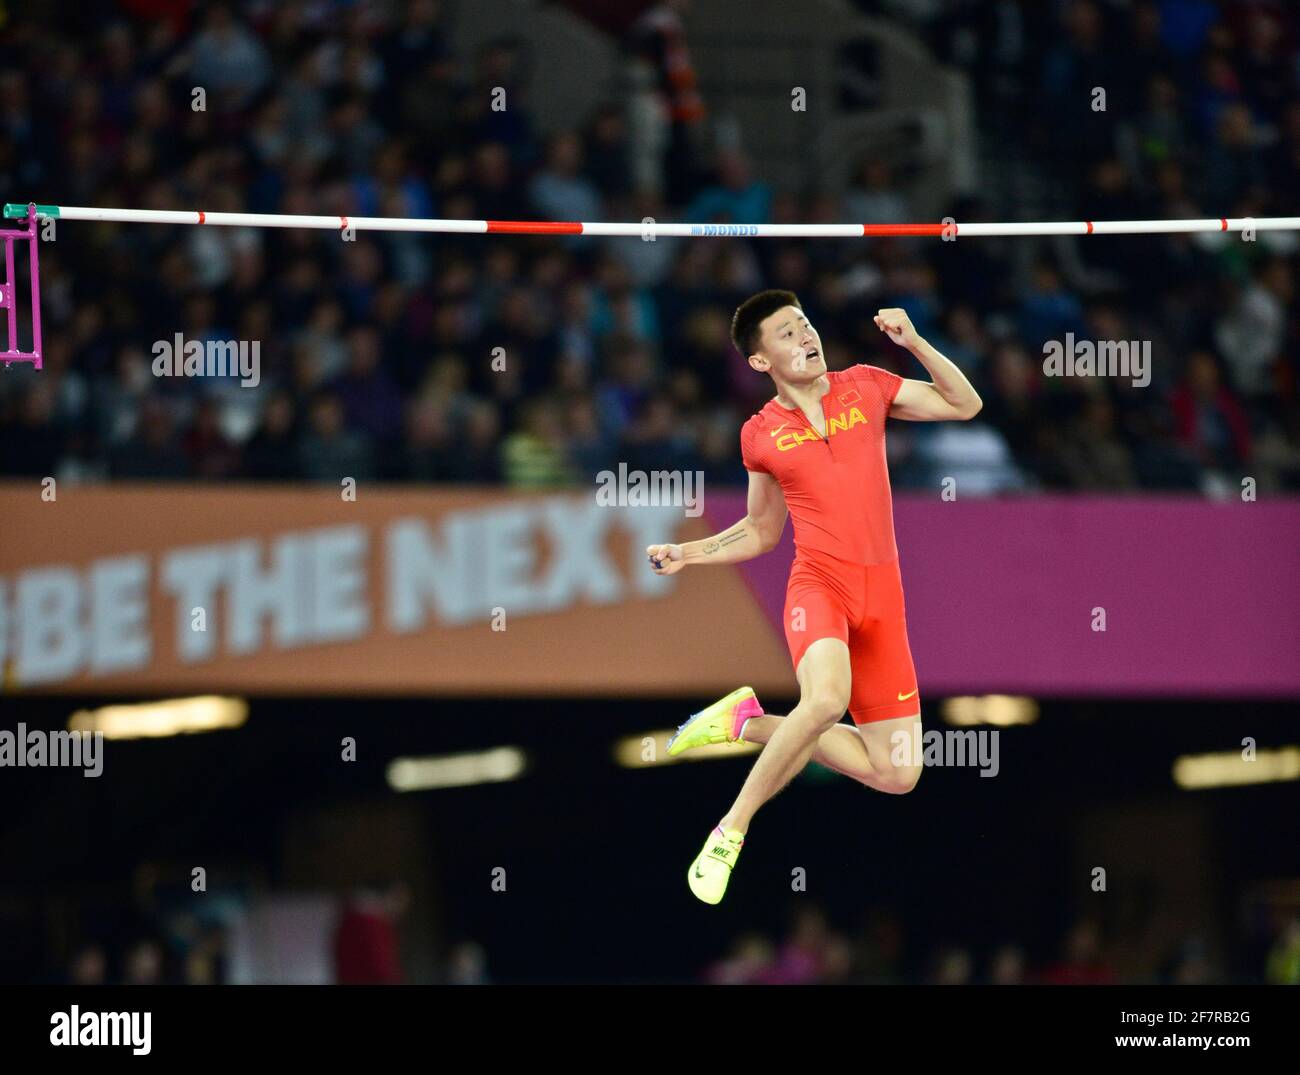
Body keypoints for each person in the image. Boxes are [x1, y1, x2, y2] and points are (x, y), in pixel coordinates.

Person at [646, 290, 982, 904]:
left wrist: (913, 343)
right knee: (827, 700)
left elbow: (966, 402)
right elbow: (762, 530)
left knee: (898, 772)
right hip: (820, 585)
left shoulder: (867, 385)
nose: (805, 337)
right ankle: (731, 829)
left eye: (805, 324)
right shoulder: (760, 435)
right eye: (786, 332)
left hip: (884, 596)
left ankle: (743, 723)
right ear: (759, 361)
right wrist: (688, 553)